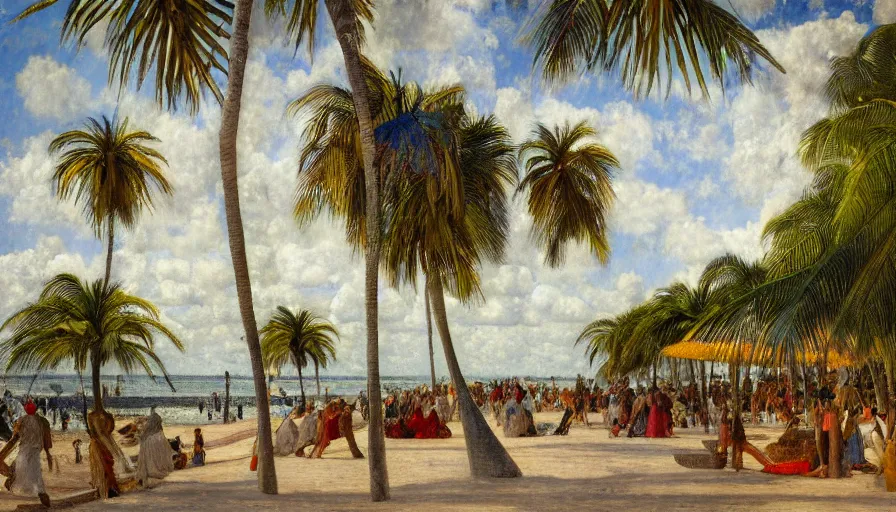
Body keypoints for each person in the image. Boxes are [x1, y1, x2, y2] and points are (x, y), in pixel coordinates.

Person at [136, 406, 175, 487]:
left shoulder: (149, 437)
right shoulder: (159, 435)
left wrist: (140, 436)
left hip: (148, 458)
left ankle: (144, 478)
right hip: (154, 445)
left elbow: (143, 435)